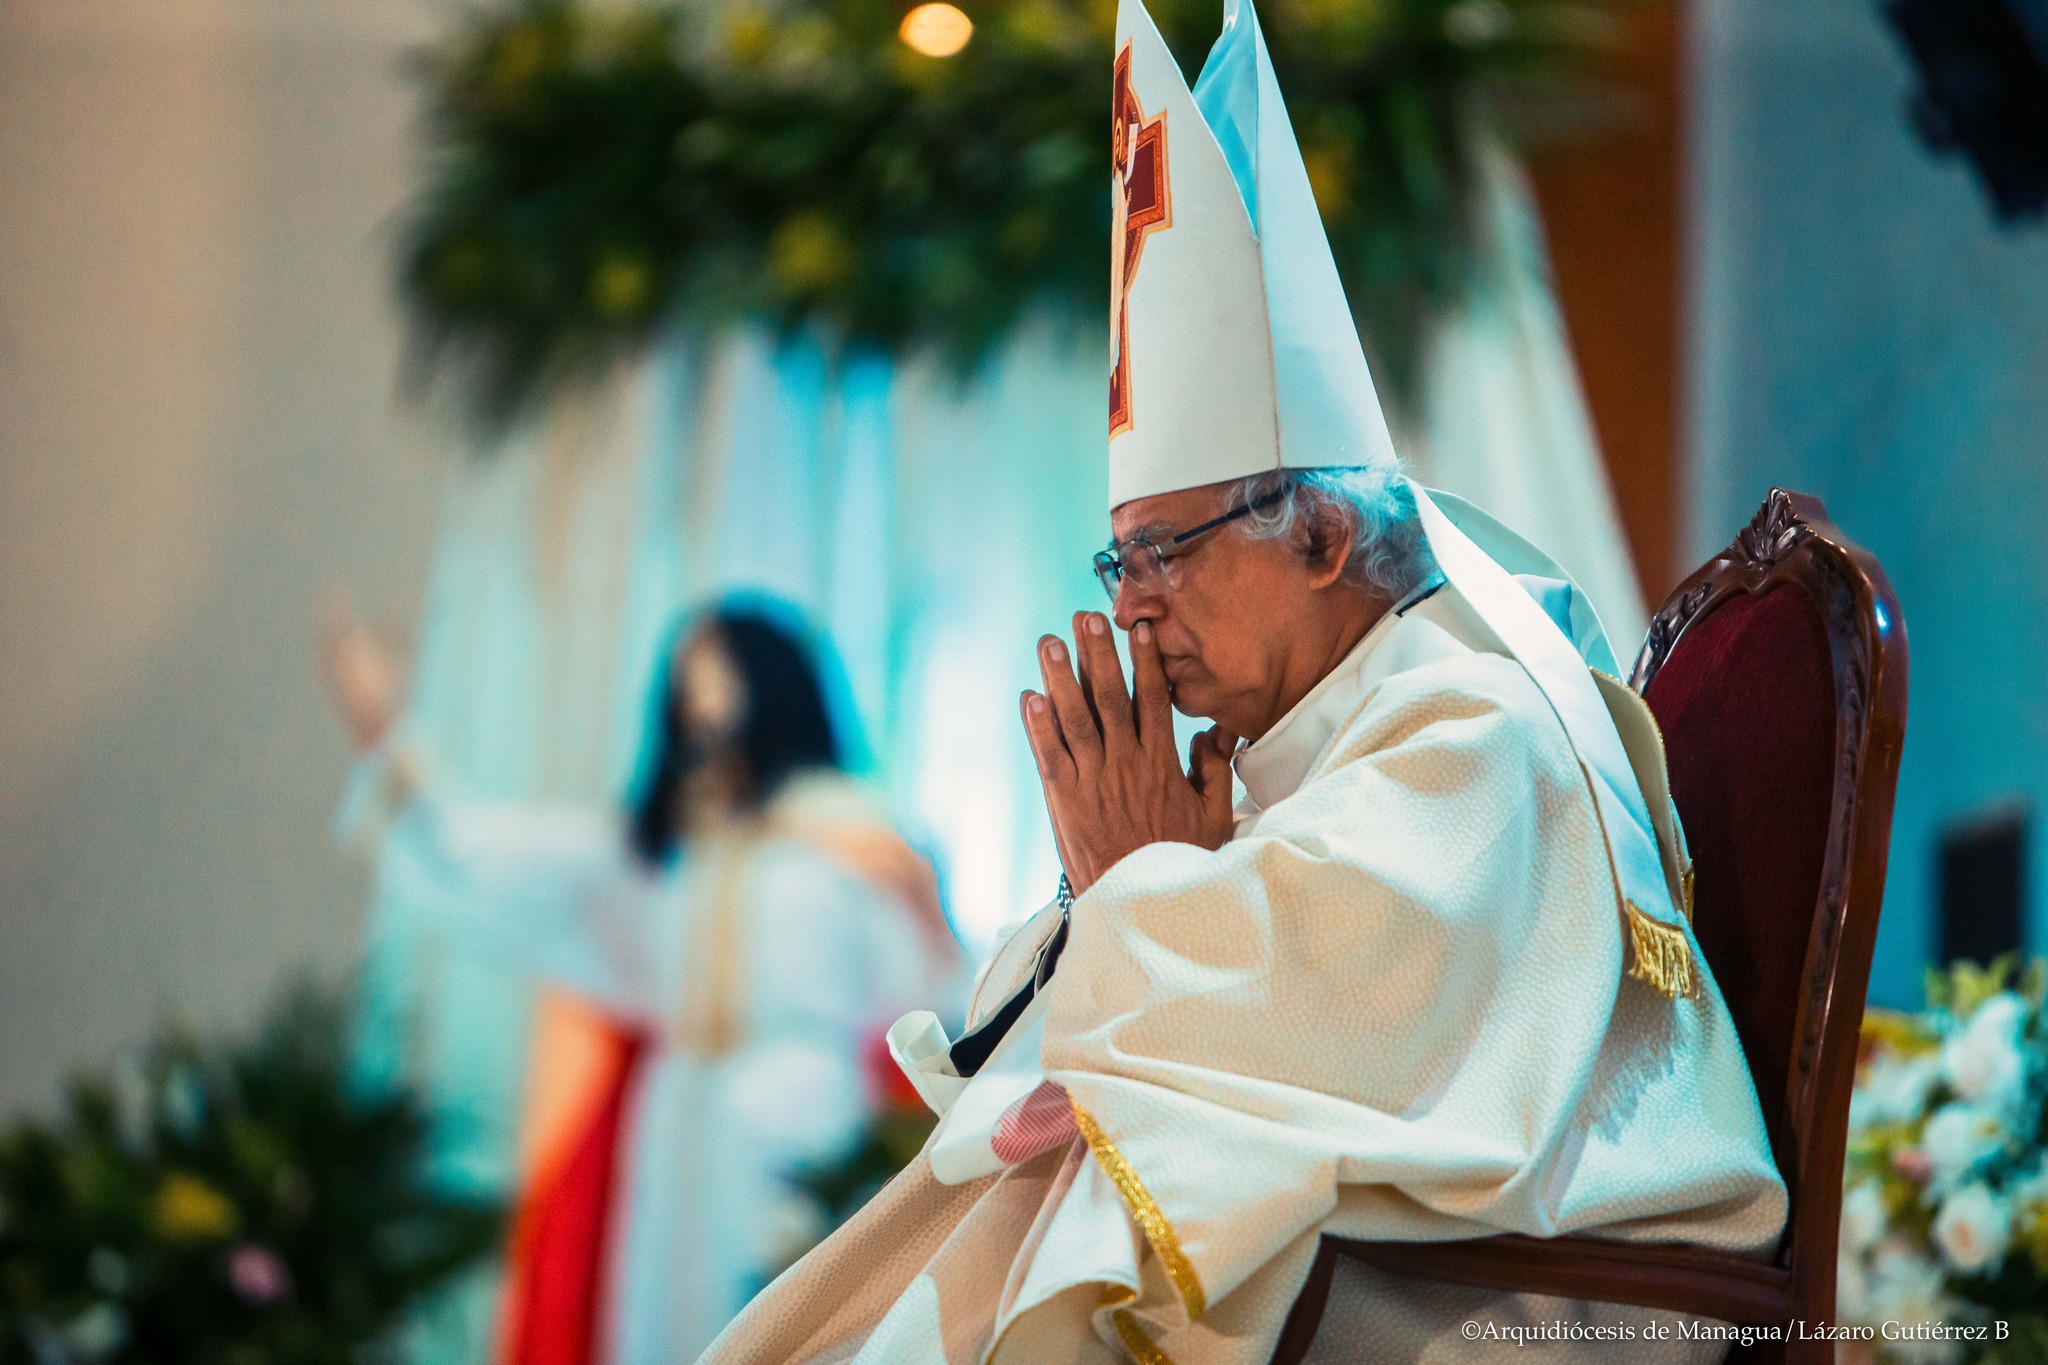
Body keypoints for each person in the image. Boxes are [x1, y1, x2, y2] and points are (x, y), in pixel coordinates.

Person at [698, 1, 1785, 1361]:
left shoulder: (1475, 725)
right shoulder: (1323, 750)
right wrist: (1149, 889)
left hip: (1525, 1306)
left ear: (1323, 536)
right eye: (1116, 564)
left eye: (1163, 554)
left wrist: (1137, 888)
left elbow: (1340, 1035)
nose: (1131, 610)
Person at [320, 600, 955, 1365]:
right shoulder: (660, 856)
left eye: (720, 683)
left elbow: (938, 991)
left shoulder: (855, 842)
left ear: (774, 688)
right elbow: (489, 856)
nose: (704, 715)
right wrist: (387, 735)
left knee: (806, 1327)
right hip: (680, 1122)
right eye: (688, 693)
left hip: (807, 1114)